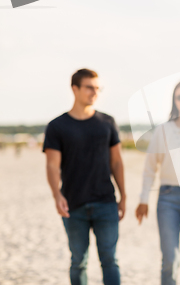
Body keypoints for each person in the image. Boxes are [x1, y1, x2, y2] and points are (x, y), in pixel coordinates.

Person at [44, 68, 125, 285]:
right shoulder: (57, 126)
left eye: (98, 88)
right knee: (78, 261)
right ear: (75, 89)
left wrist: (123, 196)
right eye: (90, 87)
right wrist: (56, 195)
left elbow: (116, 162)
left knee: (110, 260)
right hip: (73, 205)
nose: (95, 92)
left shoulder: (107, 122)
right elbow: (52, 166)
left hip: (106, 203)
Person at [135, 80, 180, 285]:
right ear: (174, 101)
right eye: (179, 97)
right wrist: (143, 199)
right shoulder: (163, 130)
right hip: (167, 199)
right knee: (170, 260)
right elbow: (150, 168)